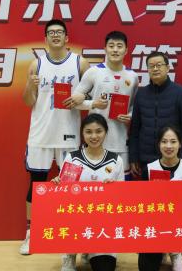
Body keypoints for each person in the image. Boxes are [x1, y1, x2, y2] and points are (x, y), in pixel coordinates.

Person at [20, 19, 90, 255]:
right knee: (36, 184)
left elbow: (93, 97)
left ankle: (68, 233)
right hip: (40, 135)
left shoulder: (80, 63)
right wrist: (30, 85)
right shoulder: (36, 65)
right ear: (46, 38)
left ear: (67, 37)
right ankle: (31, 233)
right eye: (51, 32)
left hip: (68, 135)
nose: (56, 35)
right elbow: (28, 101)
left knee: (71, 187)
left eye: (60, 32)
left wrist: (81, 98)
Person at [53, 113, 125, 271]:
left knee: (105, 268)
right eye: (88, 132)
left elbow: (121, 199)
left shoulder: (116, 160)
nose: (94, 136)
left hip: (103, 223)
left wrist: (114, 188)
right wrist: (58, 184)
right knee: (68, 216)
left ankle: (90, 251)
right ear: (82, 133)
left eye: (99, 131)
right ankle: (70, 254)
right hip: (77, 219)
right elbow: (64, 197)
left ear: (106, 132)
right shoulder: (73, 158)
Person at [67, 31, 138, 178]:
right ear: (105, 48)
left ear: (126, 50)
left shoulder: (133, 76)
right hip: (96, 140)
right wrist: (93, 103)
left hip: (120, 141)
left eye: (119, 46)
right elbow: (73, 102)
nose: (115, 50)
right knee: (94, 183)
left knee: (119, 186)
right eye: (111, 46)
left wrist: (130, 115)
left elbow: (135, 106)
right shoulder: (94, 72)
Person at [138, 125, 182, 271]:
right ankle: (161, 250)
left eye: (173, 141)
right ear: (158, 144)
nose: (168, 146)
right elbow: (141, 203)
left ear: (180, 144)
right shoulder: (149, 169)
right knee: (146, 267)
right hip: (154, 224)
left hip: (178, 223)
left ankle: (176, 253)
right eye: (164, 141)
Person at [129, 51, 182, 177]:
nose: (155, 69)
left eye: (159, 65)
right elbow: (135, 129)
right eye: (151, 66)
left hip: (174, 159)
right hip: (146, 159)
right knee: (149, 191)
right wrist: (133, 157)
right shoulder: (141, 94)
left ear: (168, 68)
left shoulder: (181, 93)